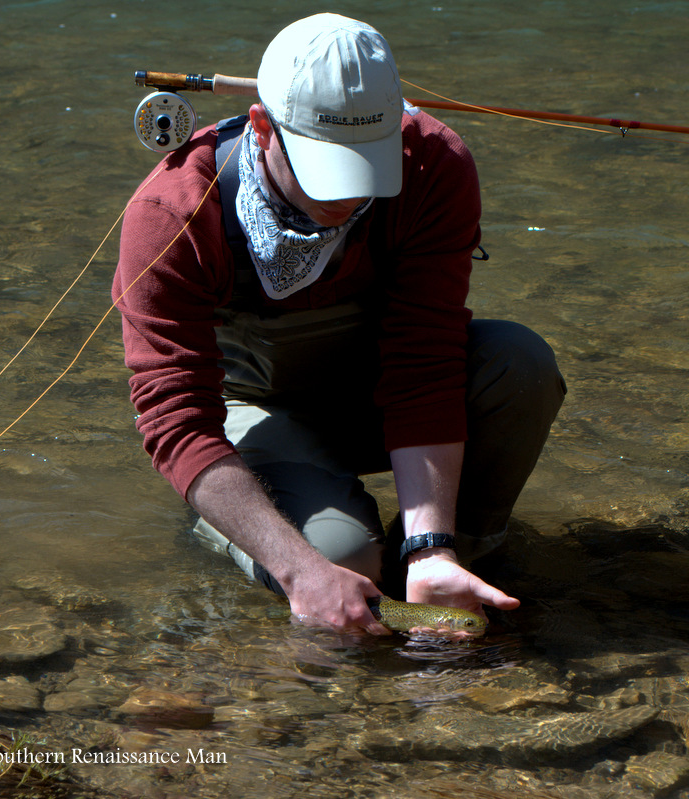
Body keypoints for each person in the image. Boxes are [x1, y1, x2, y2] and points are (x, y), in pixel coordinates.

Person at [113, 13, 565, 634]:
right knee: (343, 559)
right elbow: (177, 419)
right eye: (329, 170)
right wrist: (302, 573)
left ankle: (455, 571)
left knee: (519, 365)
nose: (351, 200)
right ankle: (256, 524)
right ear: (263, 127)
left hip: (372, 395)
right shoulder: (172, 213)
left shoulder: (432, 165)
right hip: (255, 411)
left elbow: (424, 360)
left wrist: (432, 547)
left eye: (366, 169)